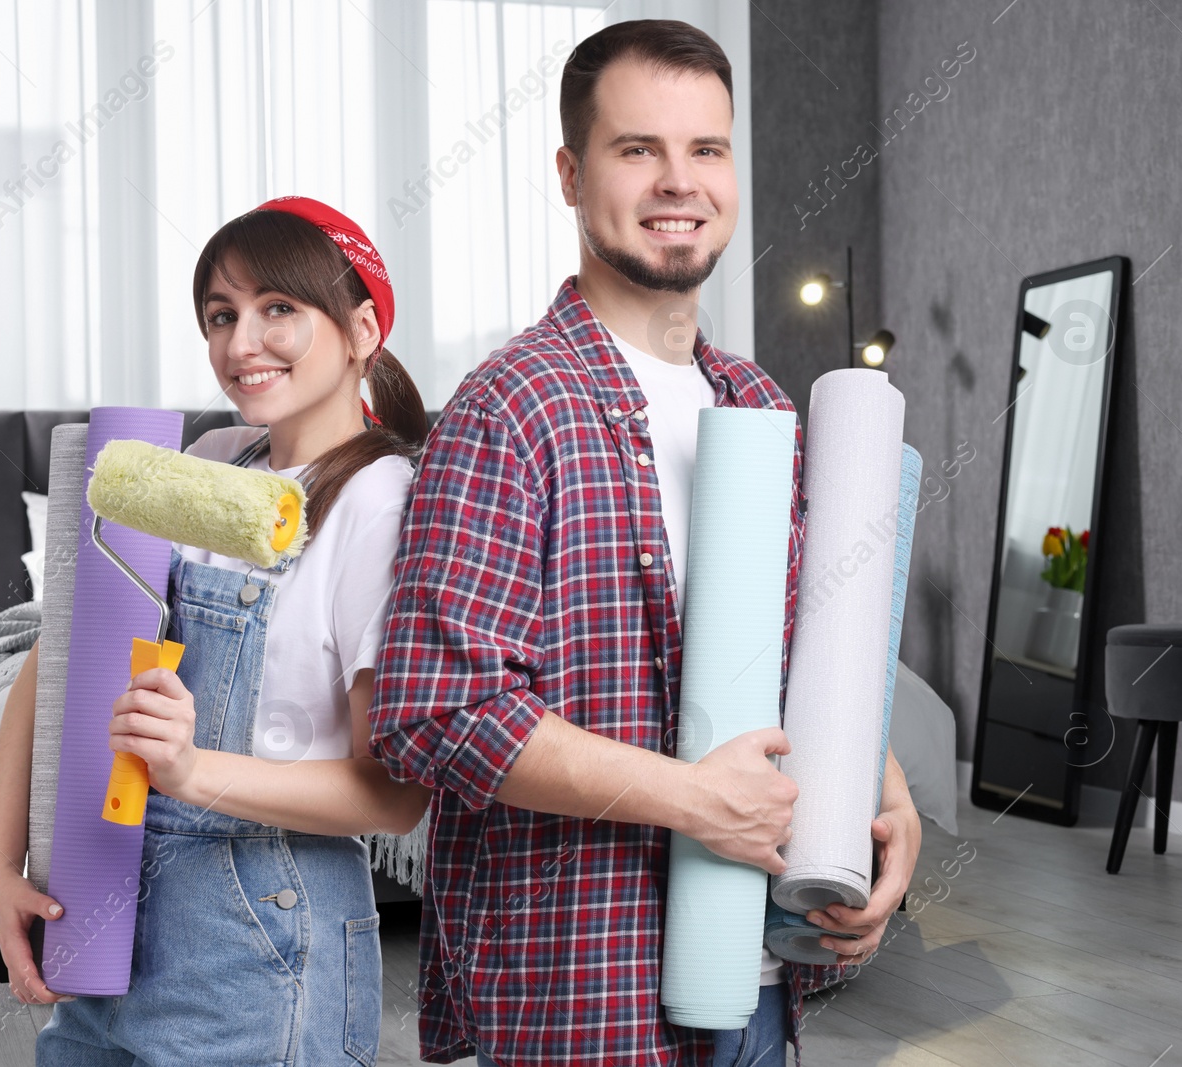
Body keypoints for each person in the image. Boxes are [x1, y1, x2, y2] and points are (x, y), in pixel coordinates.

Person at [368, 20, 921, 1067]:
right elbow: (434, 714)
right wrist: (693, 798)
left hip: (762, 973)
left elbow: (818, 646)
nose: (681, 181)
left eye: (706, 150)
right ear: (572, 174)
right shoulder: (510, 407)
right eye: (638, 150)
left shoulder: (756, 401)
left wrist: (886, 803)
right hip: (585, 980)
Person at [0, 197, 432, 1065]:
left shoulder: (382, 502)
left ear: (361, 327)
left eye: (278, 309)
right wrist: (3, 864)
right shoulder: (217, 462)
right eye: (221, 316)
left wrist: (189, 770)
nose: (239, 343)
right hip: (117, 907)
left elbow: (394, 796)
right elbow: (59, 656)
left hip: (266, 932)